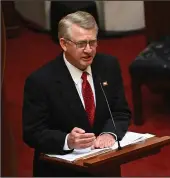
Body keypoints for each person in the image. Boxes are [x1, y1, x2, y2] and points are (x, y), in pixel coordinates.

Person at [22, 11, 131, 177]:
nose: (89, 50)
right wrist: (67, 140)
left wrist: (110, 133)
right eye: (81, 44)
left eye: (93, 42)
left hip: (104, 166)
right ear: (64, 44)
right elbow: (33, 132)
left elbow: (120, 112)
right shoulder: (41, 81)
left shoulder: (108, 66)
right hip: (62, 170)